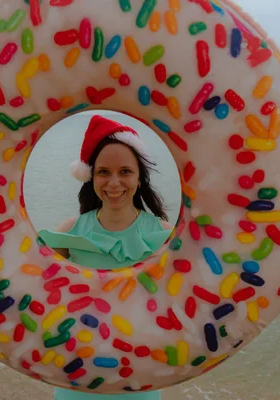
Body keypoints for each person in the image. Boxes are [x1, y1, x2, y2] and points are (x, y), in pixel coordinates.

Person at [38, 114, 173, 400]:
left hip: (140, 376)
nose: (114, 183)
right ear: (91, 176)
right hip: (77, 374)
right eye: (104, 172)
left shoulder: (165, 236)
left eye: (125, 171)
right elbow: (37, 295)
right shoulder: (69, 232)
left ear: (139, 177)